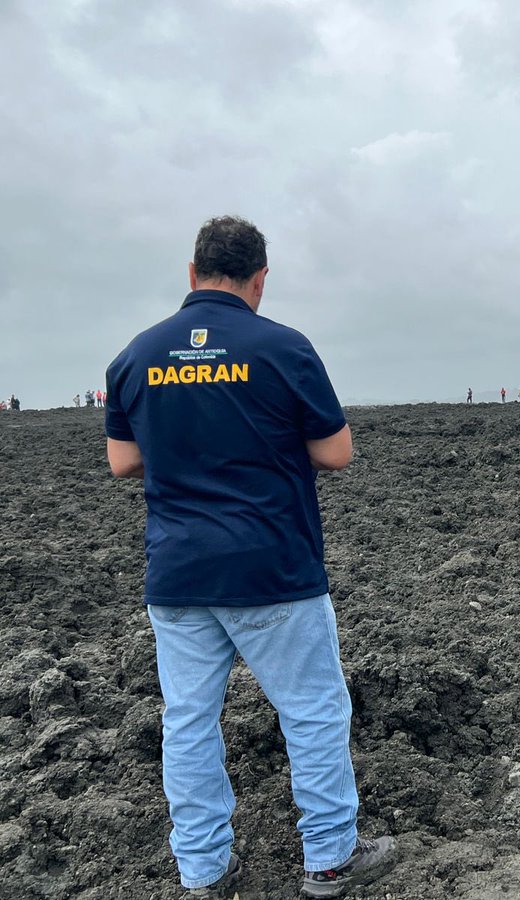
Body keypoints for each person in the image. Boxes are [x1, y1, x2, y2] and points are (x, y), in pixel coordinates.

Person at [104, 216, 398, 899]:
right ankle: (330, 858)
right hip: (272, 565)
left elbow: (122, 461)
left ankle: (203, 871)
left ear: (192, 272)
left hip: (179, 572)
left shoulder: (136, 355)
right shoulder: (283, 348)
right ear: (260, 279)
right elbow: (336, 452)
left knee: (188, 722)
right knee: (313, 711)